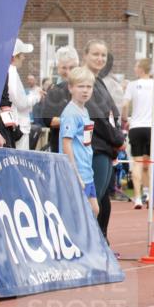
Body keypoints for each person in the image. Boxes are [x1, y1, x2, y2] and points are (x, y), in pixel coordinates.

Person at [83, 39, 126, 241]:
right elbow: (97, 117)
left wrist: (118, 136)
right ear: (85, 55)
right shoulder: (85, 81)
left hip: (106, 147)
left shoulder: (99, 81)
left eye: (103, 55)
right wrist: (117, 138)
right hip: (95, 147)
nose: (100, 58)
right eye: (95, 54)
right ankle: (87, 242)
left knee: (101, 198)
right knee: (93, 199)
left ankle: (99, 241)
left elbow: (112, 112)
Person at [60, 67, 99, 218]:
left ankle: (86, 241)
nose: (85, 91)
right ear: (70, 88)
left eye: (88, 87)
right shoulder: (70, 113)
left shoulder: (85, 110)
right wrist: (74, 173)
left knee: (94, 210)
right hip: (76, 172)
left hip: (86, 170)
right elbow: (66, 143)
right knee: (78, 214)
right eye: (80, 86)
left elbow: (85, 141)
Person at [121, 58, 154, 209]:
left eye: (136, 66)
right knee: (148, 164)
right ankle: (148, 193)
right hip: (151, 127)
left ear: (141, 68)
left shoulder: (132, 85)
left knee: (137, 163)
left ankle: (138, 197)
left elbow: (125, 104)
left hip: (136, 127)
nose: (134, 68)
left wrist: (125, 118)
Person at [41, 45, 80, 152]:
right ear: (58, 68)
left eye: (72, 67)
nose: (68, 71)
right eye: (64, 67)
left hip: (81, 145)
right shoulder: (54, 91)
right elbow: (47, 119)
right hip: (59, 144)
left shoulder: (85, 88)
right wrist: (73, 121)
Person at [8, 39, 36, 150]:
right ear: (14, 57)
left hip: (16, 126)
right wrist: (36, 96)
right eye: (22, 55)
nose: (24, 58)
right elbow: (21, 103)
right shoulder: (12, 73)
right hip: (19, 126)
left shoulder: (8, 72)